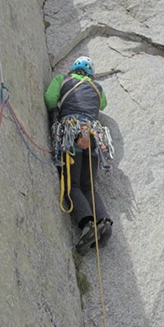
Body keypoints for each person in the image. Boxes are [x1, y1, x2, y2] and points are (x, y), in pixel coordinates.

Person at [45, 55, 113, 253]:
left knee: (72, 185)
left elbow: (50, 99)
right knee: (88, 186)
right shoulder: (97, 88)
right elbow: (102, 105)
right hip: (93, 137)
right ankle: (104, 223)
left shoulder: (62, 80)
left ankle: (87, 225)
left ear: (74, 68)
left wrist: (56, 111)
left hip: (71, 134)